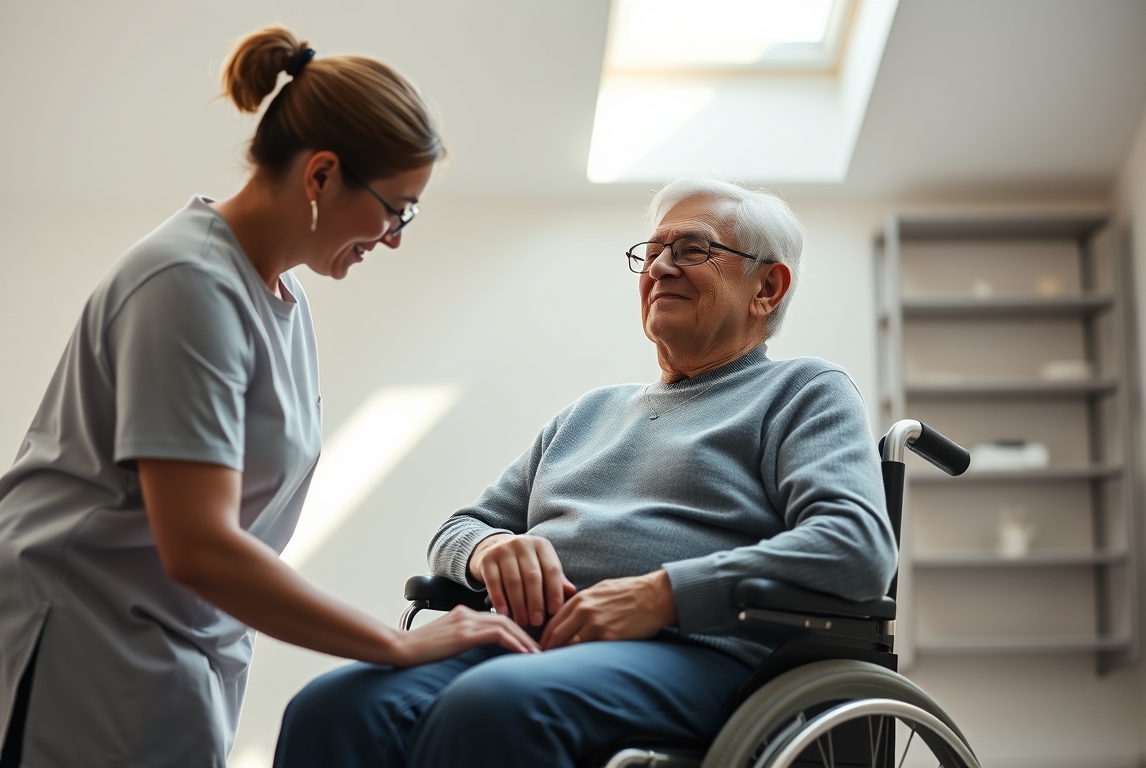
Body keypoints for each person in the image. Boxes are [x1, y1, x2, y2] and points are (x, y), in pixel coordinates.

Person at [0, 26, 536, 768]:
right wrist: (396, 643)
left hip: (162, 626)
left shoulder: (285, 298)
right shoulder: (187, 285)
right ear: (322, 175)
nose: (395, 236)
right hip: (79, 619)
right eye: (395, 208)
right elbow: (201, 545)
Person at [273, 178, 898, 768]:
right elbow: (459, 528)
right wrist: (490, 549)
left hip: (697, 655)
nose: (659, 267)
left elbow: (856, 545)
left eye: (692, 249)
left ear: (767, 288)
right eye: (651, 252)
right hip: (527, 648)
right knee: (333, 707)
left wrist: (660, 595)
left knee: (493, 706)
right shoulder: (589, 413)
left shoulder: (803, 392)